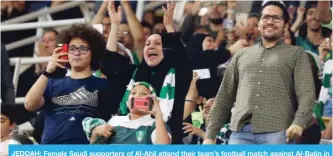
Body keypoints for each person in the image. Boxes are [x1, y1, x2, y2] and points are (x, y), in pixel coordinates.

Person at [203, 1, 315, 144]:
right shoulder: (241, 55)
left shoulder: (296, 54)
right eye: (266, 17)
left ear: (286, 26)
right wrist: (209, 135)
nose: (270, 22)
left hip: (278, 131)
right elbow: (224, 97)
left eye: (276, 18)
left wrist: (299, 122)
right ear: (259, 23)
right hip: (239, 133)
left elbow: (306, 93)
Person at [101, 1, 192, 144]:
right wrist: (114, 25)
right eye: (148, 44)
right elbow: (110, 63)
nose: (151, 46)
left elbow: (182, 59)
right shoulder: (136, 74)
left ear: (167, 52)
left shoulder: (177, 76)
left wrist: (169, 25)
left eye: (157, 43)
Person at [24, 24, 118, 144]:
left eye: (83, 49)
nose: (76, 53)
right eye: (72, 49)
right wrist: (47, 71)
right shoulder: (52, 83)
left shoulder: (104, 85)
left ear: (93, 53)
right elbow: (29, 105)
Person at [83, 82, 171, 144]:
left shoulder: (156, 124)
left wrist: (158, 114)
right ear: (127, 101)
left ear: (152, 102)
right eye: (133, 93)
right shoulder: (115, 120)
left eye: (144, 94)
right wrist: (95, 132)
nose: (137, 96)